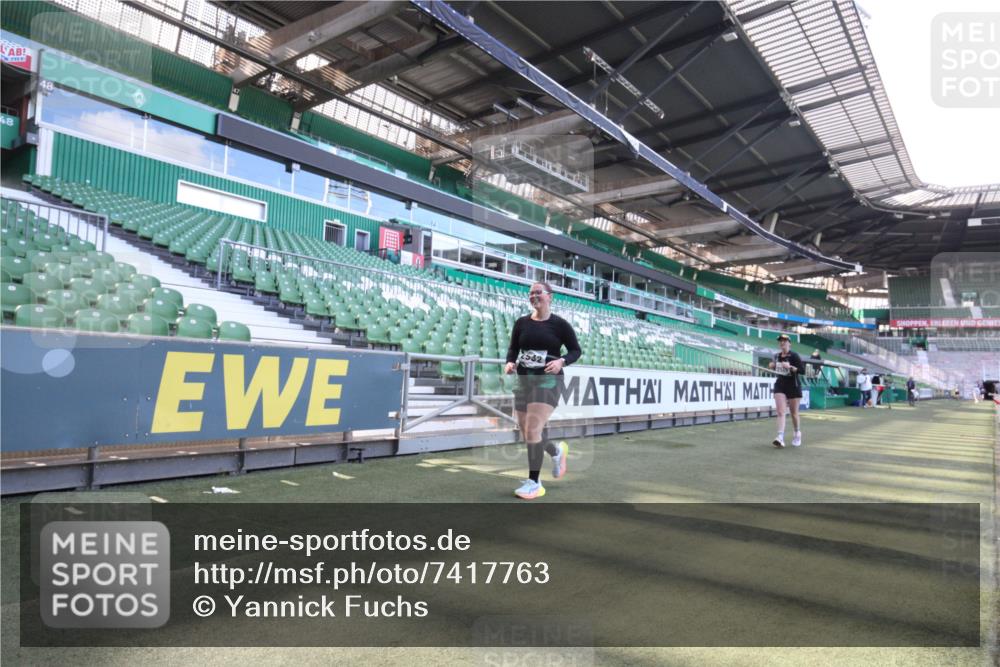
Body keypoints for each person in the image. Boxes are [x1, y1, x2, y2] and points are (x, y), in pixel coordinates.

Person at [504, 281, 581, 500]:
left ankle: (535, 483)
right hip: (524, 381)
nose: (534, 296)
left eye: (538, 292)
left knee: (533, 429)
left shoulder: (560, 325)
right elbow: (513, 349)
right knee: (528, 432)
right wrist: (509, 362)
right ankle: (556, 452)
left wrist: (562, 362)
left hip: (549, 381)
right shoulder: (521, 323)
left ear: (550, 297)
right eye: (531, 293)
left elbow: (576, 350)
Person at [768, 334, 805, 448]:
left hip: (793, 386)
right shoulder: (776, 356)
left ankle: (797, 433)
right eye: (781, 341)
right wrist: (772, 365)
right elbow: (773, 367)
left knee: (794, 413)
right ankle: (780, 437)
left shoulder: (794, 356)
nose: (782, 343)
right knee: (780, 412)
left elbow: (802, 371)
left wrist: (790, 367)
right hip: (780, 385)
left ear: (789, 343)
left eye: (785, 341)